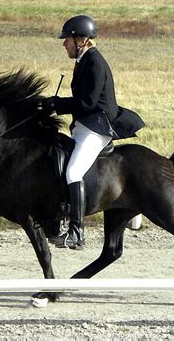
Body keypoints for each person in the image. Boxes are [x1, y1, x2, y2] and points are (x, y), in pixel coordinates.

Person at [42, 15, 144, 250]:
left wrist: (58, 104)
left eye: (67, 39)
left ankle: (77, 233)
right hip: (84, 127)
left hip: (96, 129)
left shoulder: (95, 62)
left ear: (82, 39)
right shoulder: (83, 60)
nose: (64, 43)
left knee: (74, 171)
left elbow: (87, 103)